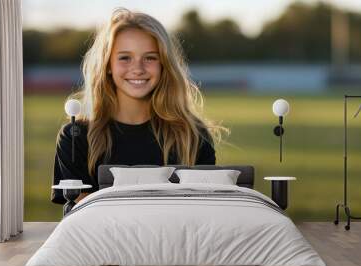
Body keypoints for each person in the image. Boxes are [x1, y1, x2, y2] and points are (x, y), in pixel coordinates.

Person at [51, 8, 229, 204]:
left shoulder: (192, 135)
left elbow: (203, 212)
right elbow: (80, 216)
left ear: (164, 65)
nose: (137, 69)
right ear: (108, 65)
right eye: (125, 57)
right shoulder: (76, 137)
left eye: (150, 58)